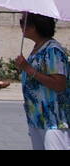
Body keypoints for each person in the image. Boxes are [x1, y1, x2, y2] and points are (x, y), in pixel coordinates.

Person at [14, 12, 69, 150]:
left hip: (54, 120)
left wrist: (28, 69)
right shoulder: (39, 48)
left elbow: (59, 84)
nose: (21, 26)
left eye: (23, 22)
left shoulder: (53, 50)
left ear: (34, 27)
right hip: (37, 118)